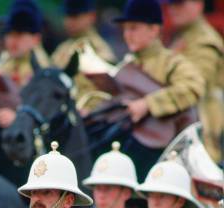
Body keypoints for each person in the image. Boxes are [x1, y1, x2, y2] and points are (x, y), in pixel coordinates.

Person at [81, 0, 205, 179]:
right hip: (127, 146)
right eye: (125, 29)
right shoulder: (127, 64)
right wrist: (91, 113)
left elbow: (193, 86)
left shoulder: (171, 63)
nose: (127, 34)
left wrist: (148, 104)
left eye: (133, 28)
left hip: (163, 154)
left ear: (154, 30)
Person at [166, 0, 224, 163]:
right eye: (171, 4)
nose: (173, 9)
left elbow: (196, 84)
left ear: (199, 4)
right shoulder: (183, 35)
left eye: (179, 4)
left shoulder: (204, 40)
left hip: (202, 128)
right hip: (184, 123)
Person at [0, 0, 49, 128]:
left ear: (36, 39)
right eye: (9, 34)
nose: (12, 41)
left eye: (19, 35)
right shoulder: (3, 64)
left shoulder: (43, 69)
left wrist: (18, 117)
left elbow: (45, 109)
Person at [52, 0, 115, 69]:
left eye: (74, 16)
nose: (68, 21)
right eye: (66, 15)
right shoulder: (63, 47)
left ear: (92, 16)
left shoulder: (99, 49)